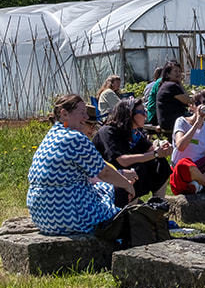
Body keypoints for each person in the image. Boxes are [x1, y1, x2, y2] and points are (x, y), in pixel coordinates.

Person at [26, 94, 136, 234]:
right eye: (82, 113)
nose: (86, 118)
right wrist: (127, 184)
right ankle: (119, 239)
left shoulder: (52, 135)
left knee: (104, 188)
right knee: (116, 190)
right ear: (64, 114)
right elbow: (104, 172)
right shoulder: (75, 138)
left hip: (43, 217)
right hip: (68, 215)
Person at [94, 98, 172, 205]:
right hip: (106, 176)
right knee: (138, 169)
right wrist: (155, 153)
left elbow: (150, 150)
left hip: (127, 172)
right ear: (130, 114)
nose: (146, 115)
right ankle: (131, 209)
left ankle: (159, 204)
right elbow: (122, 160)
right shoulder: (108, 132)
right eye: (142, 112)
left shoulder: (135, 132)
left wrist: (163, 148)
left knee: (160, 164)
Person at [154, 61, 193, 134]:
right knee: (198, 119)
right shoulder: (171, 86)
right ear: (168, 74)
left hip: (165, 121)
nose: (178, 73)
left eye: (179, 71)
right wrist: (180, 83)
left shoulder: (166, 85)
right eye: (175, 71)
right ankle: (198, 142)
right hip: (172, 121)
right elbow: (187, 100)